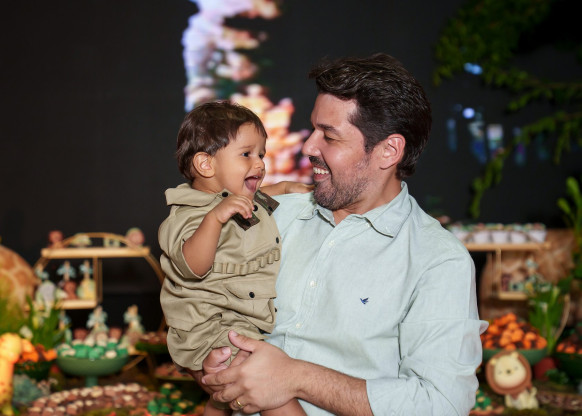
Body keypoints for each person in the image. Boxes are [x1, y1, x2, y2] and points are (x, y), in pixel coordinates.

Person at [195, 53, 488, 415]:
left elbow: (441, 404)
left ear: (388, 151)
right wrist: (212, 366)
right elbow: (197, 305)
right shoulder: (275, 215)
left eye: (329, 137)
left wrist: (297, 377)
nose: (308, 147)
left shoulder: (438, 260)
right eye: (313, 129)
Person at [158, 101, 309, 416]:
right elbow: (193, 266)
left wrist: (286, 187)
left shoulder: (238, 199)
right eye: (247, 154)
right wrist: (214, 219)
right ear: (206, 164)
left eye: (261, 155)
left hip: (236, 321)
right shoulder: (190, 213)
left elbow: (262, 197)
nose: (260, 164)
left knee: (226, 393)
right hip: (207, 325)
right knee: (272, 389)